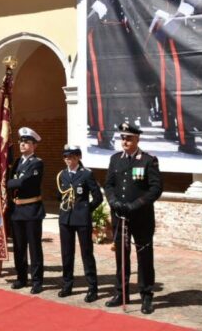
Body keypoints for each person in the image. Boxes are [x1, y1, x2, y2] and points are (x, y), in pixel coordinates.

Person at [104, 123, 163, 314]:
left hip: (141, 218)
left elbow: (155, 188)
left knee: (144, 257)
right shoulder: (115, 160)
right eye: (122, 138)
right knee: (122, 256)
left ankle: (146, 296)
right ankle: (122, 293)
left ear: (137, 139)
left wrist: (135, 205)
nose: (125, 141)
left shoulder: (148, 160)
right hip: (120, 217)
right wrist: (113, 201)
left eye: (129, 138)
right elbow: (109, 185)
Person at [56, 145, 102, 302]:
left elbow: (98, 197)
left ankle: (92, 288)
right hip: (66, 219)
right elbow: (59, 195)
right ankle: (67, 285)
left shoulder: (86, 174)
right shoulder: (62, 175)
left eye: (71, 156)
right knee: (67, 253)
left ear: (78, 157)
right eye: (65, 156)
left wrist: (86, 209)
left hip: (82, 219)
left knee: (86, 253)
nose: (68, 159)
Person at [8, 127, 45, 294]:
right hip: (17, 210)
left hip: (31, 209)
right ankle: (21, 277)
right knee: (19, 246)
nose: (23, 145)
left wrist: (6, 184)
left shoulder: (37, 163)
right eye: (21, 142)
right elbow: (13, 178)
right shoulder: (17, 162)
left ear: (34, 145)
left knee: (34, 247)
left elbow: (25, 182)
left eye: (27, 142)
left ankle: (37, 280)